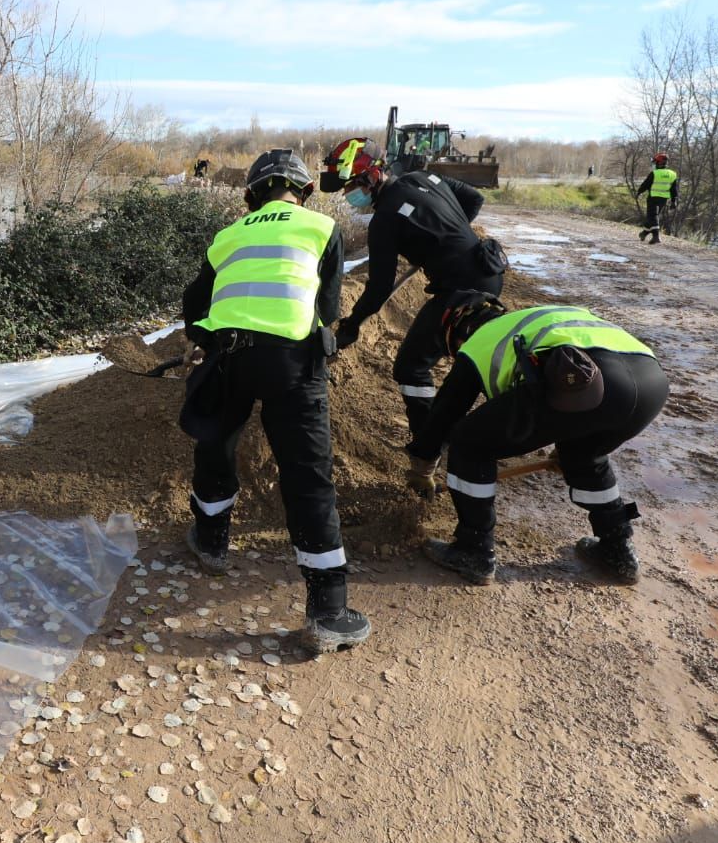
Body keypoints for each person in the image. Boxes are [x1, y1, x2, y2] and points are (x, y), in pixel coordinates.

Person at [179, 148, 369, 656]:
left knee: (215, 447)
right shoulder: (319, 228)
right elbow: (326, 308)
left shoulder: (228, 236)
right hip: (292, 363)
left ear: (250, 196)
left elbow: (193, 303)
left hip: (228, 358)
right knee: (307, 474)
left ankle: (212, 543)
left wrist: (201, 337)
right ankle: (328, 609)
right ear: (305, 190)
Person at [405, 293, 669, 585]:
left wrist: (423, 466)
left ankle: (473, 549)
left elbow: (445, 412)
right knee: (582, 454)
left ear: (458, 332)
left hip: (589, 380)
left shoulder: (480, 340)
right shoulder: (542, 318)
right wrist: (569, 435)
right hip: (651, 383)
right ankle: (617, 549)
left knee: (469, 441)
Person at [325, 137, 508, 437]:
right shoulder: (422, 177)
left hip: (460, 294)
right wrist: (452, 237)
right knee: (465, 352)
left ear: (371, 177)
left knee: (411, 367)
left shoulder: (384, 220)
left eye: (350, 187)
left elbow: (379, 287)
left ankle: (429, 440)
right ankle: (451, 421)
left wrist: (352, 323)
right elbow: (474, 199)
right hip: (488, 272)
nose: (348, 195)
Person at [637, 152, 677, 244]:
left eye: (655, 163)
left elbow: (645, 185)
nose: (654, 164)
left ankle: (656, 236)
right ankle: (644, 233)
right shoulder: (672, 174)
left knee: (652, 216)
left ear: (659, 163)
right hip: (663, 199)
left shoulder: (654, 173)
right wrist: (674, 201)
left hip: (653, 197)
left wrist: (639, 192)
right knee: (652, 216)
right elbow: (674, 189)